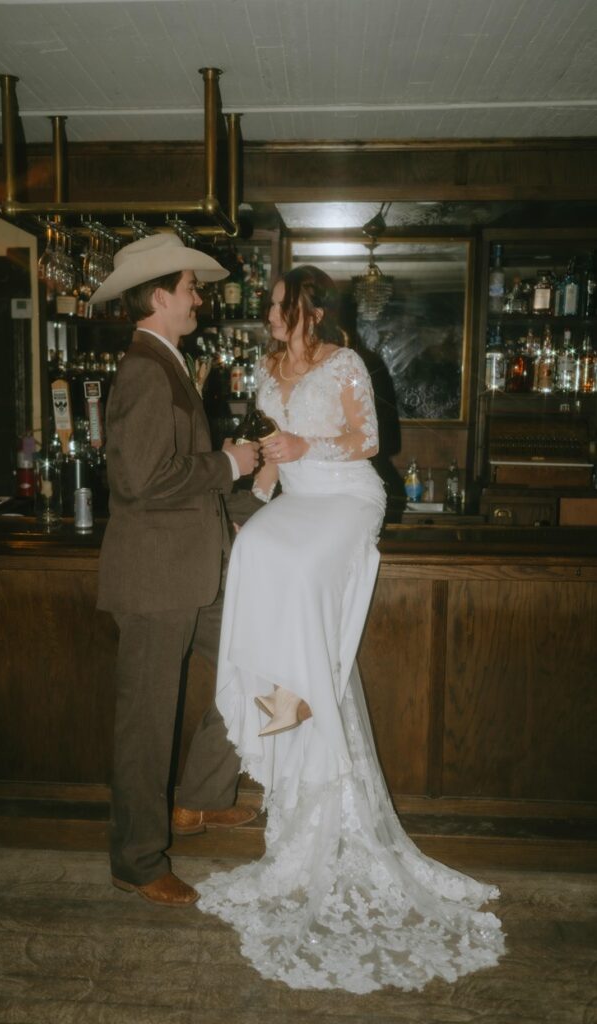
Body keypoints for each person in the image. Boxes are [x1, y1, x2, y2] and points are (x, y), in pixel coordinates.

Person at [197, 265, 505, 992]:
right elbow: (274, 444)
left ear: (310, 310)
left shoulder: (345, 364)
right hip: (296, 497)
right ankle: (282, 726)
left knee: (298, 578)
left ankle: (305, 725)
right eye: (271, 308)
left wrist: (307, 451)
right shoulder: (267, 364)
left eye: (278, 308)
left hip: (346, 500)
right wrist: (267, 472)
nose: (269, 318)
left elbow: (368, 443)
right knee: (254, 551)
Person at [91, 233, 260, 908]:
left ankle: (199, 798)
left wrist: (245, 484)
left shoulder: (167, 364)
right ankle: (135, 860)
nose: (200, 298)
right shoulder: (143, 369)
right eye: (191, 288)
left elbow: (173, 476)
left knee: (265, 664)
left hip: (193, 573)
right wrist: (227, 466)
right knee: (145, 725)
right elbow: (138, 482)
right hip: (156, 582)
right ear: (160, 296)